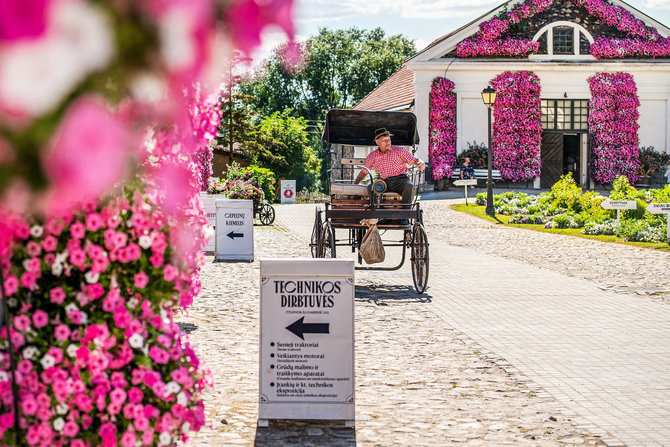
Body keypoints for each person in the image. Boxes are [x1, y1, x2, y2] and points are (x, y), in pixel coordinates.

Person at [354, 128, 425, 204]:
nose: (388, 142)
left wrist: (421, 162)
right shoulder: (372, 156)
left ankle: (406, 212)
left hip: (400, 180)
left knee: (410, 187)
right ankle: (379, 211)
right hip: (384, 182)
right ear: (377, 142)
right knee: (371, 187)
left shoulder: (399, 150)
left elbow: (415, 160)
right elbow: (364, 171)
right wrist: (355, 185)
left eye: (389, 139)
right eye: (385, 140)